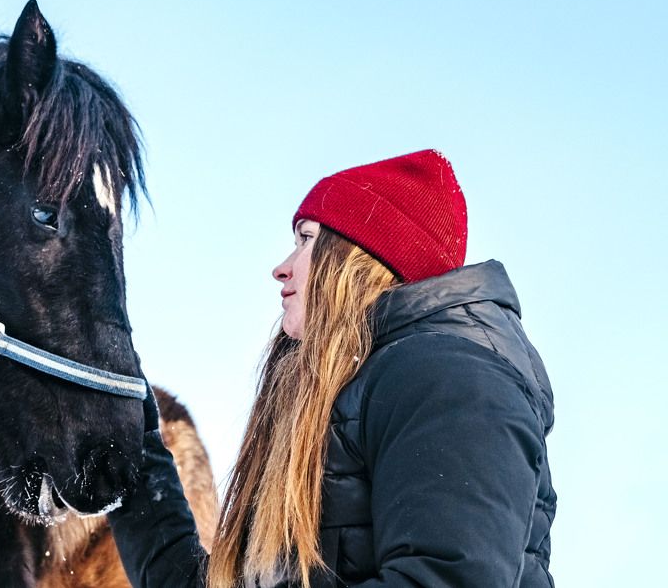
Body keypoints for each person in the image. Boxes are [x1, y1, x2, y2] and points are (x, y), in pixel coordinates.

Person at [108, 149, 556, 587]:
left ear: (356, 256)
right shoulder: (344, 394)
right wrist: (136, 449)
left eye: (306, 239)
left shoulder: (452, 381)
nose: (281, 269)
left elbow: (444, 577)